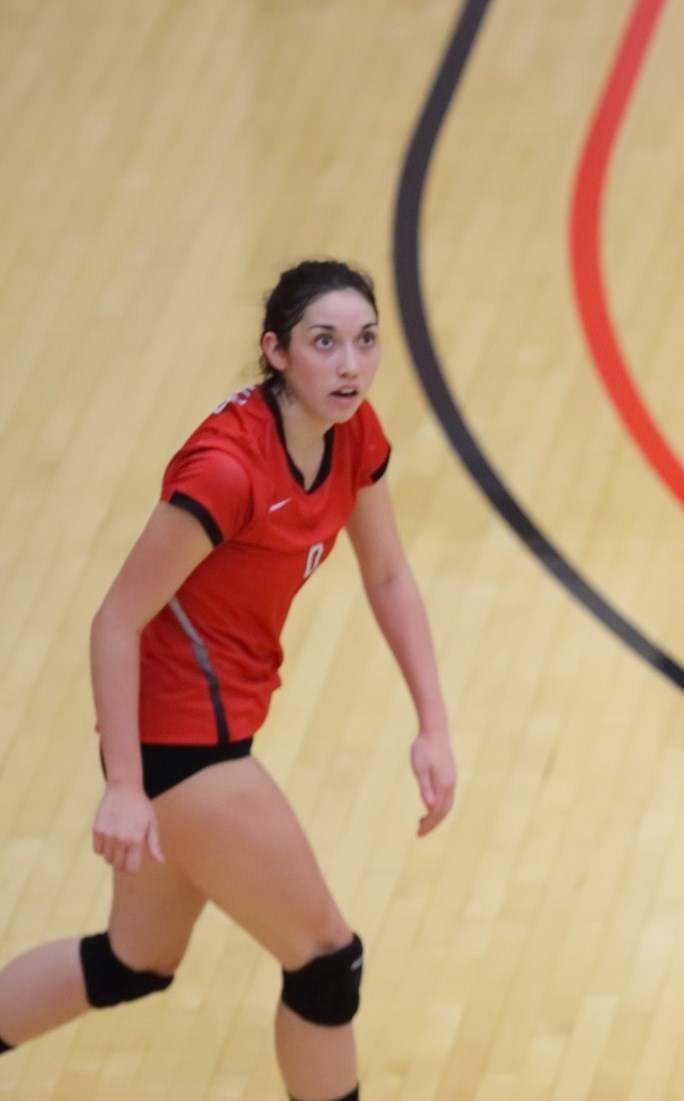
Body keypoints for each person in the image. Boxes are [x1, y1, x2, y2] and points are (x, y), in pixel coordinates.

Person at [0, 260, 457, 1101]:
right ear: (275, 352)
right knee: (327, 959)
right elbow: (114, 619)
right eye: (324, 343)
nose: (350, 364)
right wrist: (127, 787)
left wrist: (432, 721)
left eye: (364, 341)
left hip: (218, 726)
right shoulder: (227, 471)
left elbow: (388, 573)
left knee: (133, 961)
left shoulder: (352, 433)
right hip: (179, 744)